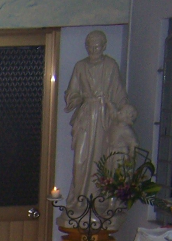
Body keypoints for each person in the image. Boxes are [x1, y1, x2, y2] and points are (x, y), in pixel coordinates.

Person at [64, 30, 129, 214]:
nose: (93, 49)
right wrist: (76, 98)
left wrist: (123, 113)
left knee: (102, 160)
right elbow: (72, 92)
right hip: (86, 116)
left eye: (97, 46)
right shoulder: (80, 66)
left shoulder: (110, 66)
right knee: (80, 160)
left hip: (104, 118)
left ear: (104, 46)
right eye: (90, 46)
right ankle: (79, 199)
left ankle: (99, 202)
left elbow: (119, 93)